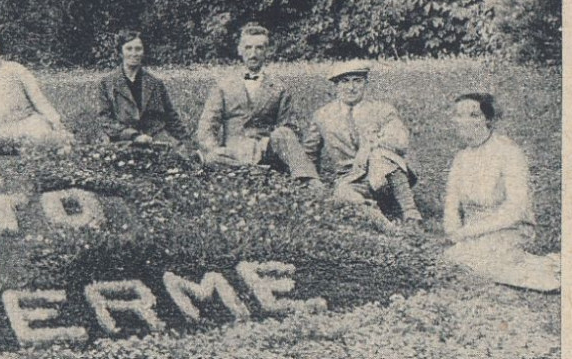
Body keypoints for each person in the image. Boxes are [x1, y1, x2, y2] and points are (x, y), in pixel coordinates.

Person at [442, 93, 559, 292]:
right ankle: (547, 266)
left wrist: (468, 233)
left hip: (509, 230)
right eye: (459, 115)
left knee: (474, 262)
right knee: (455, 259)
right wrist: (453, 230)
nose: (464, 122)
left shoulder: (509, 153)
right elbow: (451, 204)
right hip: (472, 234)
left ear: (488, 119)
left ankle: (552, 273)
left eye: (473, 115)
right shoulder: (461, 158)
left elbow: (515, 210)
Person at [196, 23, 321, 186]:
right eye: (248, 48)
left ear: (267, 52)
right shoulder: (223, 86)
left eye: (259, 48)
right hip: (233, 153)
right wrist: (213, 149)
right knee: (211, 158)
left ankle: (309, 180)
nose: (253, 54)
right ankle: (258, 173)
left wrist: (275, 141)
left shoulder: (279, 88)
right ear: (239, 50)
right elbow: (206, 127)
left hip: (266, 150)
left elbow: (291, 129)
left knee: (284, 132)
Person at [306, 60, 420, 223]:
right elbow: (310, 153)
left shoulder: (382, 110)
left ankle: (411, 215)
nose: (351, 88)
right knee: (343, 194)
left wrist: (369, 147)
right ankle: (384, 223)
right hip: (350, 179)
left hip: (385, 177)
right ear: (336, 86)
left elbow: (400, 139)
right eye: (345, 81)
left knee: (381, 156)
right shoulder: (323, 116)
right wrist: (313, 183)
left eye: (357, 81)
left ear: (366, 83)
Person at [95, 30, 187, 148]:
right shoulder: (107, 83)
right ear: (121, 52)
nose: (134, 53)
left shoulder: (155, 83)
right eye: (129, 49)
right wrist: (134, 136)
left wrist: (190, 146)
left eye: (138, 49)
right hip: (122, 143)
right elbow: (105, 120)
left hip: (154, 141)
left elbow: (171, 117)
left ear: (143, 52)